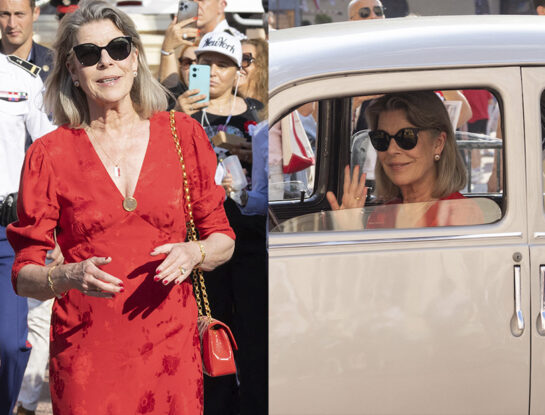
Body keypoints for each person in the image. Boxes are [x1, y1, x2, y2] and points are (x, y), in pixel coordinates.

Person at [6, 2, 235, 415]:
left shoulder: (183, 135)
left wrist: (194, 252)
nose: (106, 61)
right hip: (86, 356)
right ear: (72, 69)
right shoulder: (49, 154)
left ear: (135, 58)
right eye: (89, 54)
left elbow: (223, 239)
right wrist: (67, 275)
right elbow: (24, 276)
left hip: (171, 353)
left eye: (118, 48)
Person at [0, 1, 57, 413]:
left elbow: (50, 153)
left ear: (35, 13)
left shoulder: (29, 77)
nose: (10, 23)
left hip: (8, 229)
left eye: (18, 13)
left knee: (9, 343)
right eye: (3, 13)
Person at [327, 91, 483, 228]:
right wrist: (352, 230)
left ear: (438, 143)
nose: (391, 150)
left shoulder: (459, 213)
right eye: (381, 138)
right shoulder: (382, 214)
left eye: (406, 137)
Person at [238, 38, 268, 112]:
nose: (238, 65)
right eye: (233, 60)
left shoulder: (275, 102)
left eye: (245, 59)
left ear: (263, 65)